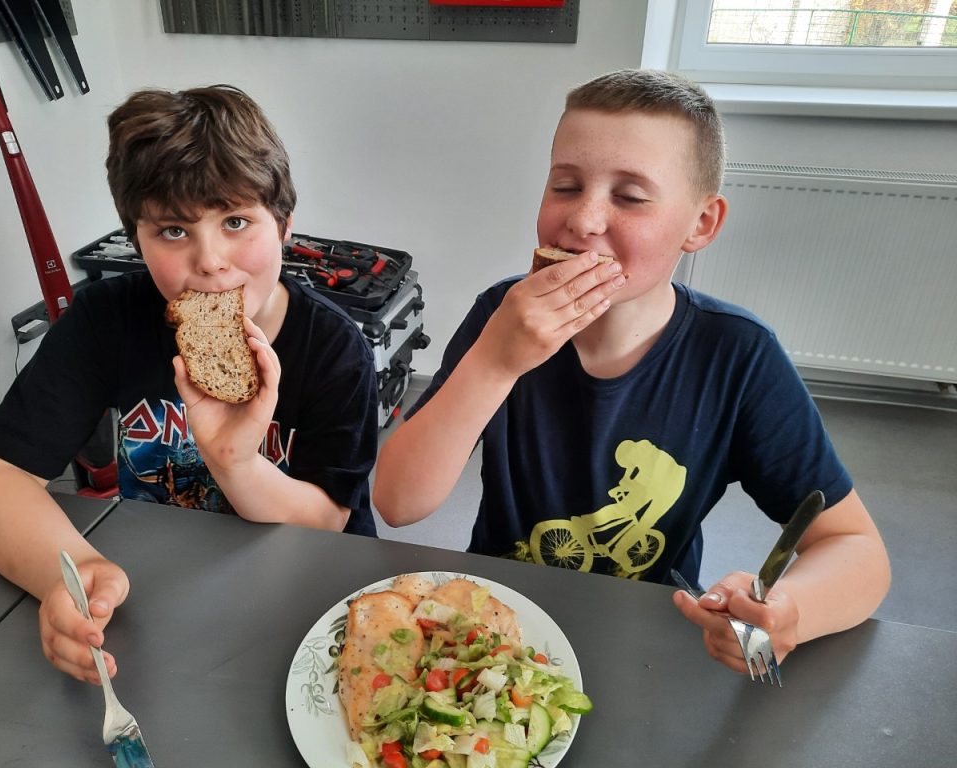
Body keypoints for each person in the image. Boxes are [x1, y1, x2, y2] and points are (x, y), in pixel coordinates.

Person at [373, 69, 890, 675]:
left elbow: (856, 548)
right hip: (498, 625)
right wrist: (495, 360)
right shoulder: (500, 317)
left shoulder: (736, 356)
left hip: (648, 637)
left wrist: (789, 608)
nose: (584, 219)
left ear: (701, 223)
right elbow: (398, 502)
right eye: (566, 185)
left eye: (630, 197)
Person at [0, 85, 379, 684]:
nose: (210, 261)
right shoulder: (107, 318)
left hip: (307, 603)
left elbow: (327, 523)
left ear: (284, 226)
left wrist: (235, 463)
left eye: (236, 222)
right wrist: (73, 571)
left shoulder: (334, 348)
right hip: (159, 601)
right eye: (174, 231)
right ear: (138, 241)